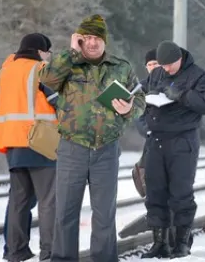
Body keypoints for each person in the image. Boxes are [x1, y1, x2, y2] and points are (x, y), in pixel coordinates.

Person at [39, 15, 145, 262]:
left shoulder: (121, 67)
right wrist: (70, 52)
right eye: (86, 38)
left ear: (104, 41)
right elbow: (47, 80)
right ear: (79, 40)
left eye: (97, 38)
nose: (92, 43)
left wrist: (128, 109)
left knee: (104, 214)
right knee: (65, 212)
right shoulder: (68, 65)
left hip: (106, 150)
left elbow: (140, 99)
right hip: (71, 149)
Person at [140, 40, 205, 259]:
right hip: (156, 141)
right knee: (155, 193)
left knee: (181, 194)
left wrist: (182, 96)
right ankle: (159, 243)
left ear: (179, 59)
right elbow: (142, 90)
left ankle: (182, 243)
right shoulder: (157, 73)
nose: (165, 69)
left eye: (169, 65)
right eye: (162, 66)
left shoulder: (198, 76)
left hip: (183, 141)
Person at [0, 33, 59, 262]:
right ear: (40, 51)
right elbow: (61, 103)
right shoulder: (42, 70)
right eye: (48, 53)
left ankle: (15, 251)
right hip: (40, 142)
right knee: (49, 201)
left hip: (12, 144)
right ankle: (50, 253)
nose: (49, 57)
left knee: (19, 201)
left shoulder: (4, 72)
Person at [132, 48, 159, 198]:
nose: (153, 67)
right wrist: (149, 131)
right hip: (153, 142)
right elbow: (138, 115)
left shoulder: (175, 85)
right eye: (150, 64)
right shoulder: (141, 89)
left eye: (156, 63)